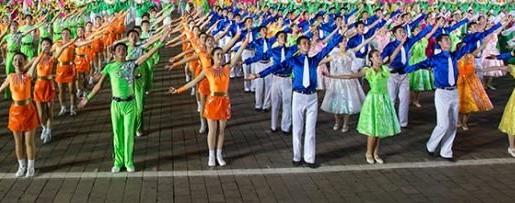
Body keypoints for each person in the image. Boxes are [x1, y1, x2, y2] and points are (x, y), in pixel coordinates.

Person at [247, 33, 344, 168]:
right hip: (298, 96)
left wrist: (341, 34)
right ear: (298, 46)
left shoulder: (314, 60)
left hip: (312, 97)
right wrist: (258, 74)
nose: (307, 45)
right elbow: (275, 67)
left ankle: (310, 158)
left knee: (310, 129)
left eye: (308, 43)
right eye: (304, 43)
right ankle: (297, 156)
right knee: (297, 128)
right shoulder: (293, 60)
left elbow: (328, 48)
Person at [404, 24, 500, 160]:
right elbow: (419, 65)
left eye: (449, 40)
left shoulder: (456, 56)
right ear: (440, 43)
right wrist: (405, 70)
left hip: (454, 91)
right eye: (446, 40)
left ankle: (446, 152)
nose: (449, 41)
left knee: (453, 123)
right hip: (442, 93)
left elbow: (471, 43)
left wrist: (492, 29)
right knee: (443, 124)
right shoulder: (436, 59)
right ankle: (430, 146)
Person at [78, 42, 165, 173]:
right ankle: (118, 162)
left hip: (130, 104)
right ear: (114, 53)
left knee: (129, 134)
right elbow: (99, 85)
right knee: (117, 135)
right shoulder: (109, 67)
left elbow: (147, 55)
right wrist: (88, 98)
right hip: (116, 105)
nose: (121, 51)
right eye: (118, 49)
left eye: (124, 49)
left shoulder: (132, 65)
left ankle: (129, 161)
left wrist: (160, 42)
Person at [170, 39, 249, 167]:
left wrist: (244, 43)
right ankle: (211, 155)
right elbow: (194, 82)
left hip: (224, 101)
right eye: (217, 54)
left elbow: (237, 55)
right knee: (212, 129)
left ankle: (219, 154)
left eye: (222, 55)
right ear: (212, 57)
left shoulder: (227, 69)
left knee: (221, 130)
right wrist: (178, 90)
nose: (220, 57)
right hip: (212, 101)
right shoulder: (207, 70)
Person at [324, 45, 405, 164]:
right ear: (371, 59)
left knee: (380, 129)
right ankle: (368, 152)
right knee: (373, 129)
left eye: (379, 55)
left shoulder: (384, 68)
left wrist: (401, 42)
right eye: (376, 56)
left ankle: (376, 153)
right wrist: (331, 76)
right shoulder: (368, 71)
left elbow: (393, 55)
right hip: (374, 100)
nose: (379, 57)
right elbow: (350, 76)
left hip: (384, 100)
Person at [0, 52, 39, 177]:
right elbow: (1, 88)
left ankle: (31, 167)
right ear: (12, 62)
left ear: (24, 62)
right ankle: (22, 166)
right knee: (18, 142)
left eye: (20, 59)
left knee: (29, 142)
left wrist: (28, 64)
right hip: (15, 111)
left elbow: (36, 59)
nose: (17, 61)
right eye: (15, 59)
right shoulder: (10, 76)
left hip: (28, 109)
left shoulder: (28, 75)